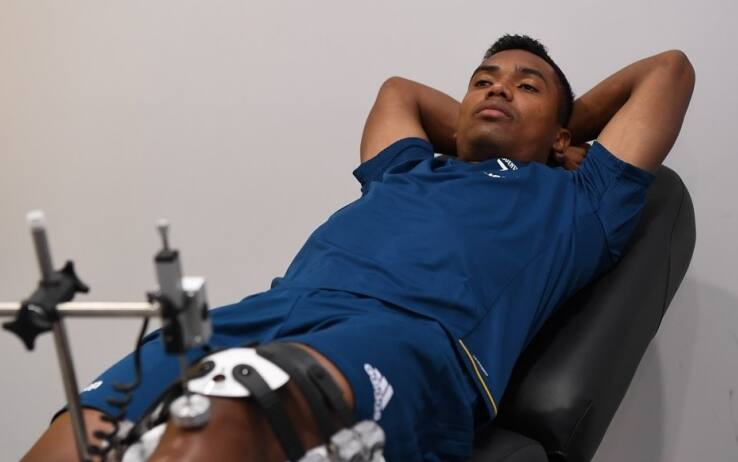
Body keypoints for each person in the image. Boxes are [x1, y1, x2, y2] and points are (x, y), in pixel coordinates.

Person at [22, 34, 695, 462]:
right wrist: (508, 114)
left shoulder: (580, 199)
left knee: (223, 416)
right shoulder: (408, 168)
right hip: (270, 309)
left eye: (526, 84)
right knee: (77, 435)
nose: (497, 87)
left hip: (407, 339)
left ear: (563, 135)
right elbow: (399, 90)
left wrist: (560, 131)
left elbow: (669, 69)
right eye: (483, 80)